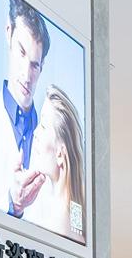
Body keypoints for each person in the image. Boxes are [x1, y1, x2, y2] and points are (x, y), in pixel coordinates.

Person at [0, 0, 51, 220]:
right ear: (8, 32)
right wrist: (13, 204)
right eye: (21, 53)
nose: (27, 75)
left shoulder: (50, 141)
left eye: (34, 65)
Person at [24, 86, 87, 240]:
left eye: (43, 126)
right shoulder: (75, 215)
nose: (35, 133)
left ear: (60, 153)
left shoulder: (58, 224)